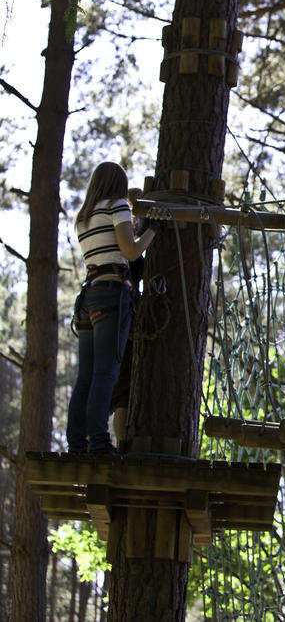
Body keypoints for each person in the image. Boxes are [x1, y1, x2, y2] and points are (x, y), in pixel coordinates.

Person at [68, 163, 157, 455]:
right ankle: (100, 443)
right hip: (112, 294)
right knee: (105, 374)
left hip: (88, 296)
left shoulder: (84, 217)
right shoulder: (116, 205)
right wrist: (153, 229)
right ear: (118, 184)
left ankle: (77, 443)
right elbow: (130, 252)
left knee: (86, 375)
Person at [108, 187, 148, 450]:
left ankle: (118, 442)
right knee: (121, 387)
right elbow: (133, 259)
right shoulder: (124, 238)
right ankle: (119, 443)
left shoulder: (117, 235)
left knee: (122, 386)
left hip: (124, 311)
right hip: (123, 313)